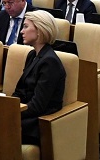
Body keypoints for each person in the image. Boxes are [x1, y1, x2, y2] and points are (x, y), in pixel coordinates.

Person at [15, 11, 66, 145]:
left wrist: (12, 112)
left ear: (39, 31)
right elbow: (20, 90)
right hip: (24, 112)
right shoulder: (32, 55)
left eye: (26, 26)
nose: (21, 31)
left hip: (38, 122)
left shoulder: (50, 62)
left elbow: (38, 105)